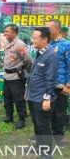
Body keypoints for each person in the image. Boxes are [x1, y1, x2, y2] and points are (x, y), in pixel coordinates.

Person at [26, 27, 59, 157]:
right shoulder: (39, 52)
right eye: (32, 37)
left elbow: (51, 79)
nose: (32, 40)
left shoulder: (51, 55)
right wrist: (27, 91)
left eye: (35, 38)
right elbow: (34, 74)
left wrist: (47, 98)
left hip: (42, 98)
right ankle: (39, 147)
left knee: (43, 126)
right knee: (36, 124)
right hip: (33, 96)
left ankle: (46, 154)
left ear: (45, 39)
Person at [0, 24, 32, 129]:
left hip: (17, 77)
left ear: (14, 32)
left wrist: (25, 72)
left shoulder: (20, 45)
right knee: (7, 97)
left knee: (19, 99)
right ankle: (9, 116)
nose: (5, 33)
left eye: (7, 32)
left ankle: (21, 119)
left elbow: (28, 60)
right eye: (4, 31)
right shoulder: (7, 43)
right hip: (7, 76)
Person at [44, 19, 70, 147]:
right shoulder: (46, 44)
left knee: (59, 113)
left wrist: (68, 85)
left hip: (60, 86)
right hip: (46, 85)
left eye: (48, 28)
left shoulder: (66, 44)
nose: (46, 31)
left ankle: (58, 139)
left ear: (57, 30)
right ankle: (44, 136)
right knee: (44, 112)